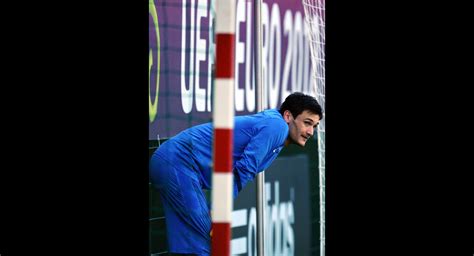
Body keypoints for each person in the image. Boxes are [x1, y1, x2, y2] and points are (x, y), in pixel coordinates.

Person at [149, 92, 323, 255]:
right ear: (288, 116)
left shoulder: (276, 132)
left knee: (187, 248)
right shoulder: (277, 126)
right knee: (205, 238)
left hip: (172, 163)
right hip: (178, 163)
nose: (311, 132)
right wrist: (219, 211)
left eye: (314, 126)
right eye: (307, 123)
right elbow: (244, 169)